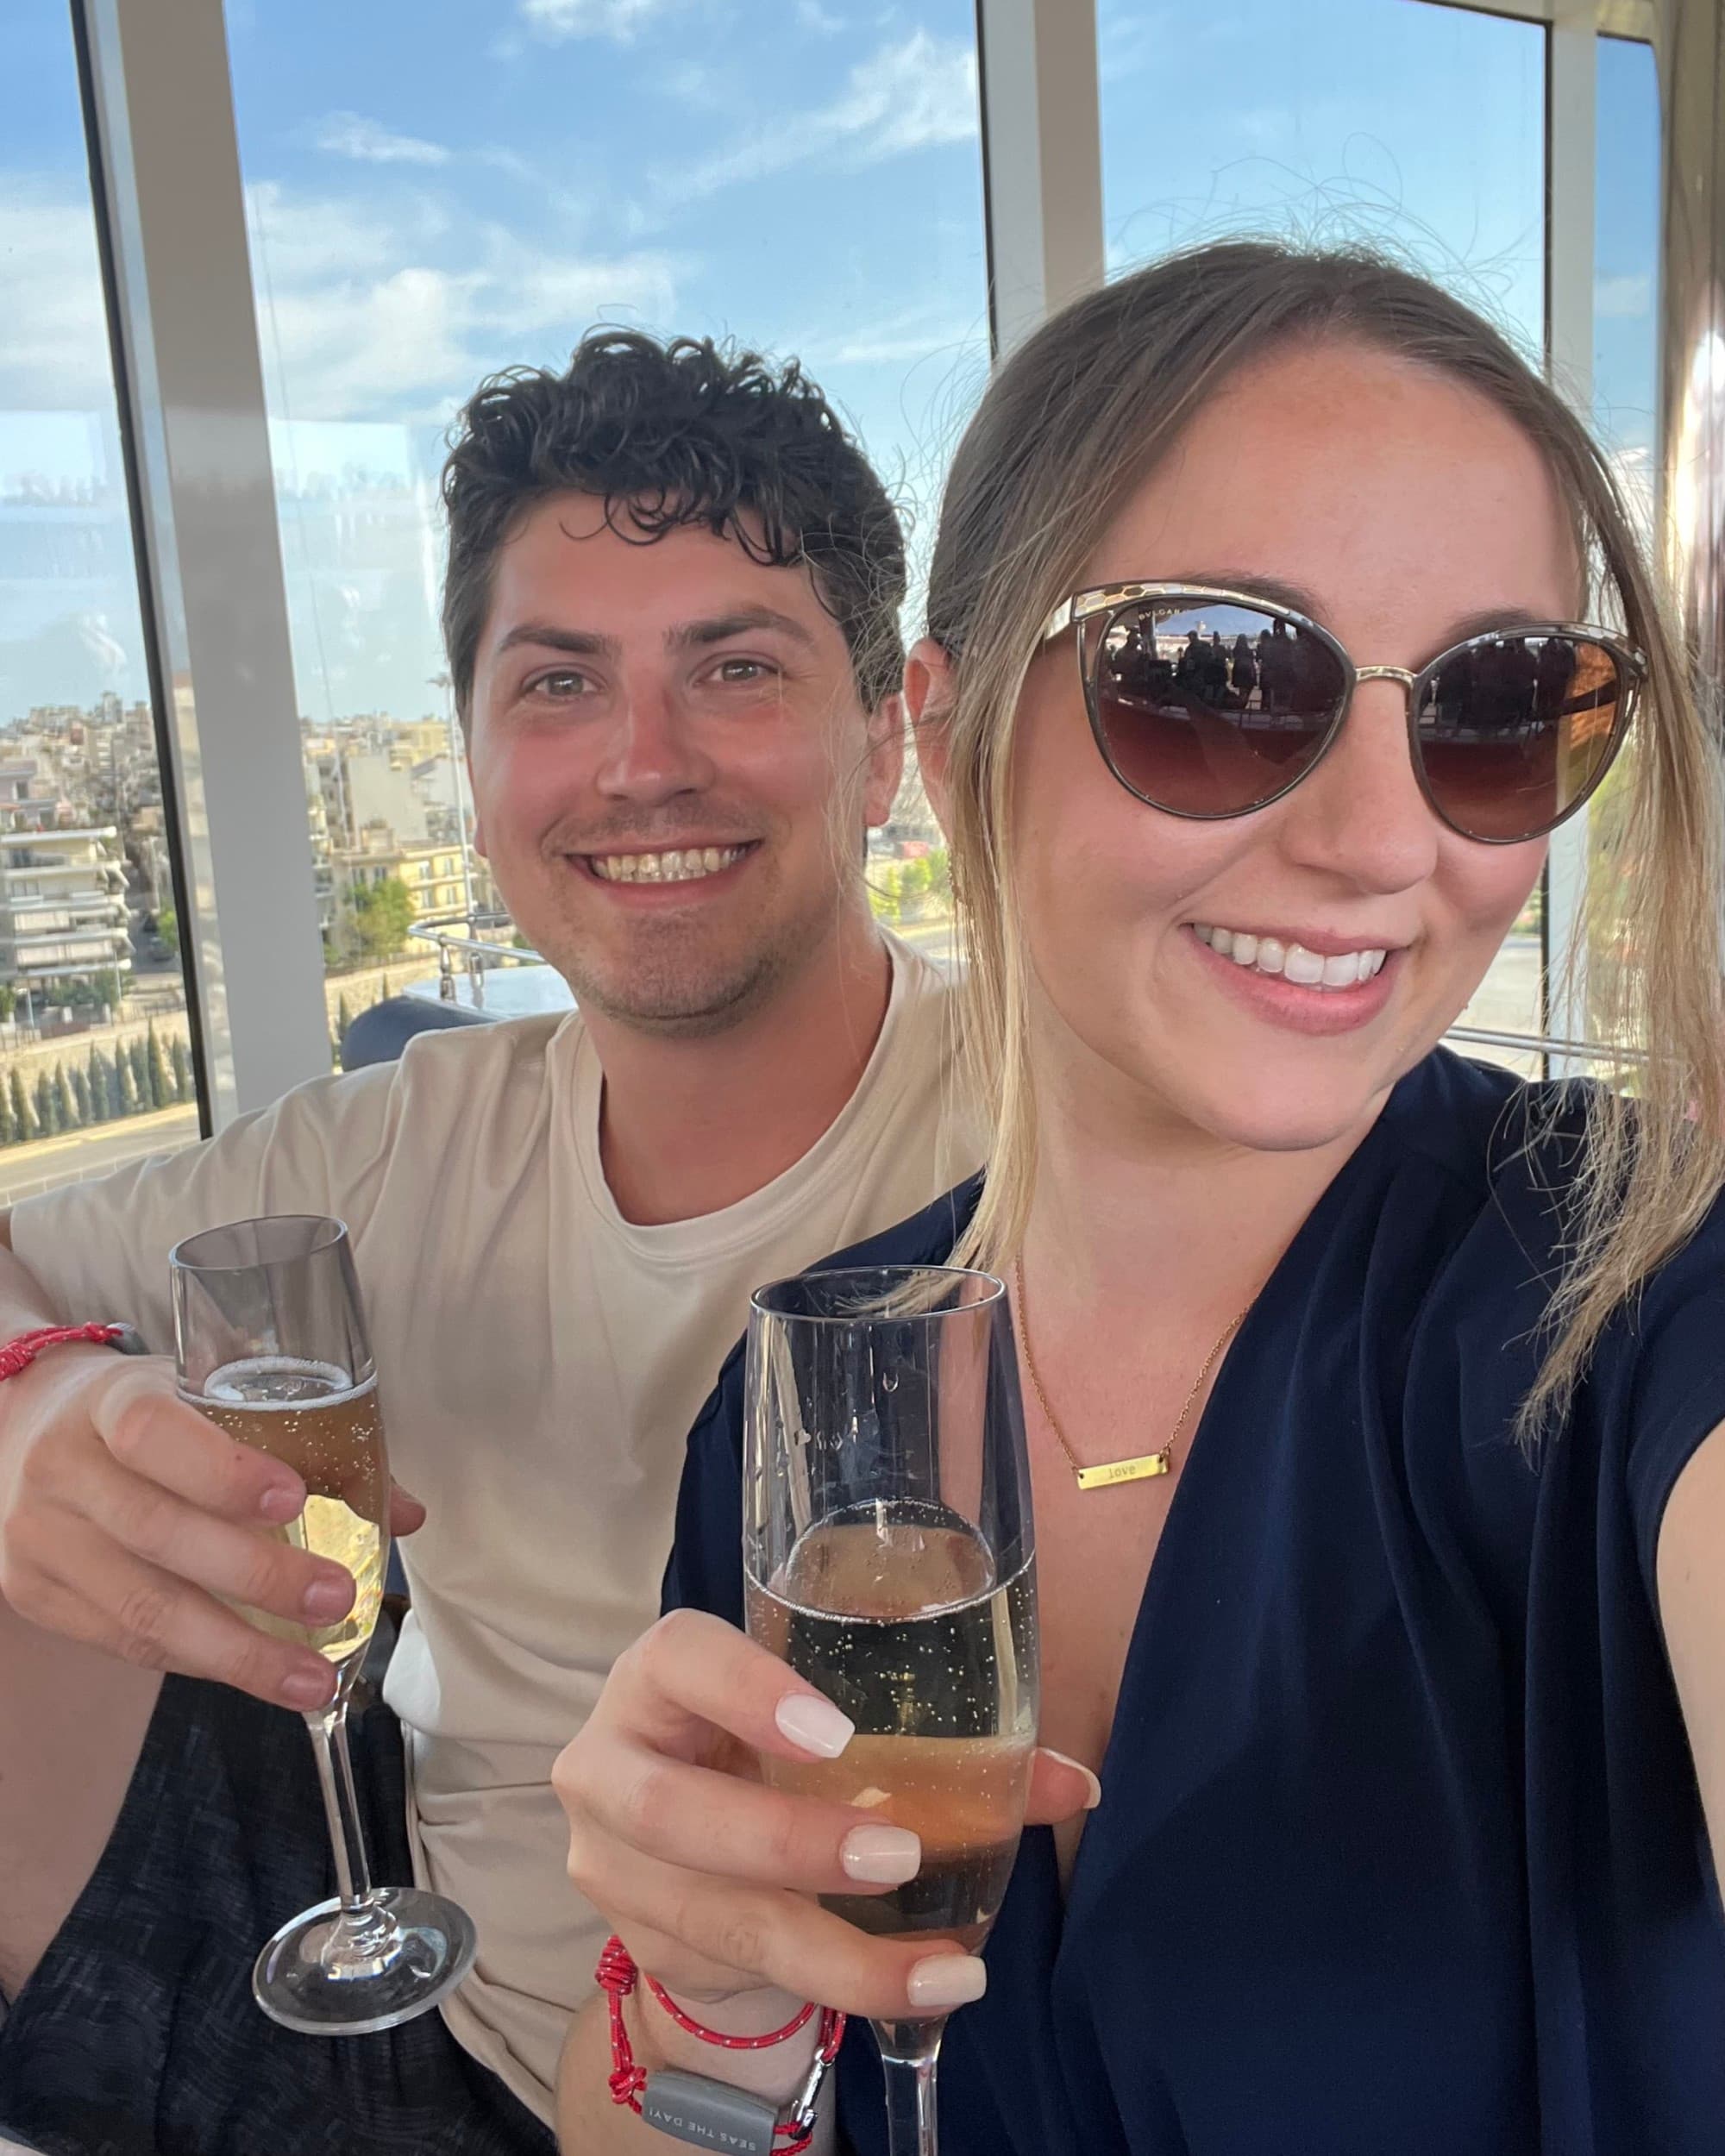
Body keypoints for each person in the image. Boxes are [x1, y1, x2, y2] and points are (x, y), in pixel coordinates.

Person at [551, 241, 1725, 2155]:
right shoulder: (810, 1395)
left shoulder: (1643, 1284)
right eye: (1213, 677)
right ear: (942, 743)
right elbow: (688, 2110)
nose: (1379, 838)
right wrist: (713, 1974)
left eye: (1499, 705)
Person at [0, 332, 977, 2153]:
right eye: (556, 685)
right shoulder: (401, 1133)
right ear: (470, 761)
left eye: (736, 668)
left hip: (827, 2072)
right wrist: (35, 1402)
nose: (641, 764)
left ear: (884, 742)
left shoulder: (1038, 1129)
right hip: (408, 1987)